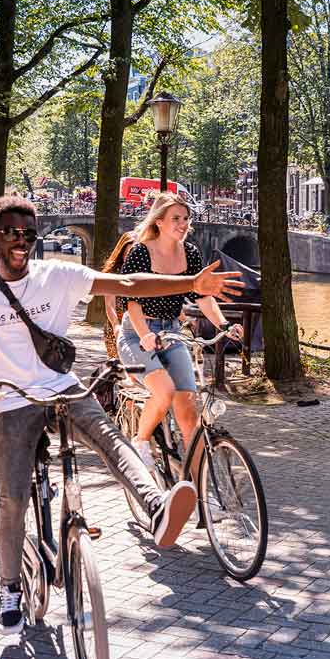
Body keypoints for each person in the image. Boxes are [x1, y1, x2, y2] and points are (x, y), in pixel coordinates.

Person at [0, 195, 243, 634]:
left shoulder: (59, 275)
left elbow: (127, 286)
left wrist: (188, 286)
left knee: (110, 438)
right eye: (12, 232)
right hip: (8, 398)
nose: (21, 242)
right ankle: (10, 585)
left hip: (60, 386)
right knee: (12, 497)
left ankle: (157, 506)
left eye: (29, 234)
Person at [117, 193, 243, 470]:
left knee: (188, 408)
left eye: (186, 218)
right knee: (164, 392)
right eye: (176, 218)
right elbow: (131, 302)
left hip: (172, 332)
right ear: (159, 221)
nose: (183, 224)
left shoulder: (191, 253)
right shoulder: (141, 252)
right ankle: (140, 440)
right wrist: (145, 335)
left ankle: (198, 483)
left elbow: (204, 298)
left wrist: (224, 325)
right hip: (137, 333)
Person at [101, 232, 135, 359]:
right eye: (130, 253)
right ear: (122, 251)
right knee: (120, 368)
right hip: (117, 326)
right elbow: (110, 306)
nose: (134, 257)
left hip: (140, 326)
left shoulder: (145, 273)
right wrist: (116, 326)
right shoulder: (113, 274)